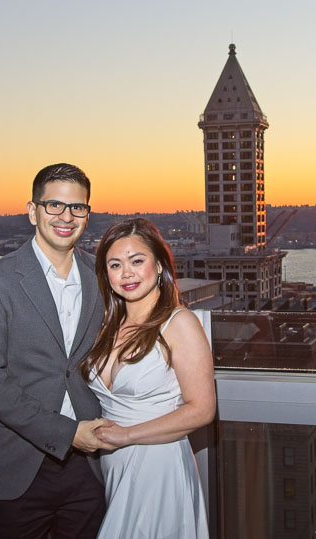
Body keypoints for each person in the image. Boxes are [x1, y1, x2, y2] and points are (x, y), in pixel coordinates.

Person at [0, 163, 111, 539]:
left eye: (77, 207)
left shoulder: (102, 276)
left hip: (91, 469)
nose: (66, 216)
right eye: (54, 206)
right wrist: (66, 434)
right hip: (19, 469)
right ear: (33, 211)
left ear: (87, 215)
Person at [81, 217, 215, 538]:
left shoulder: (179, 323)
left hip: (159, 465)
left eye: (136, 260)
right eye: (115, 264)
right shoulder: (106, 326)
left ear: (158, 267)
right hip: (114, 465)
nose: (126, 272)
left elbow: (202, 409)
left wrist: (126, 436)